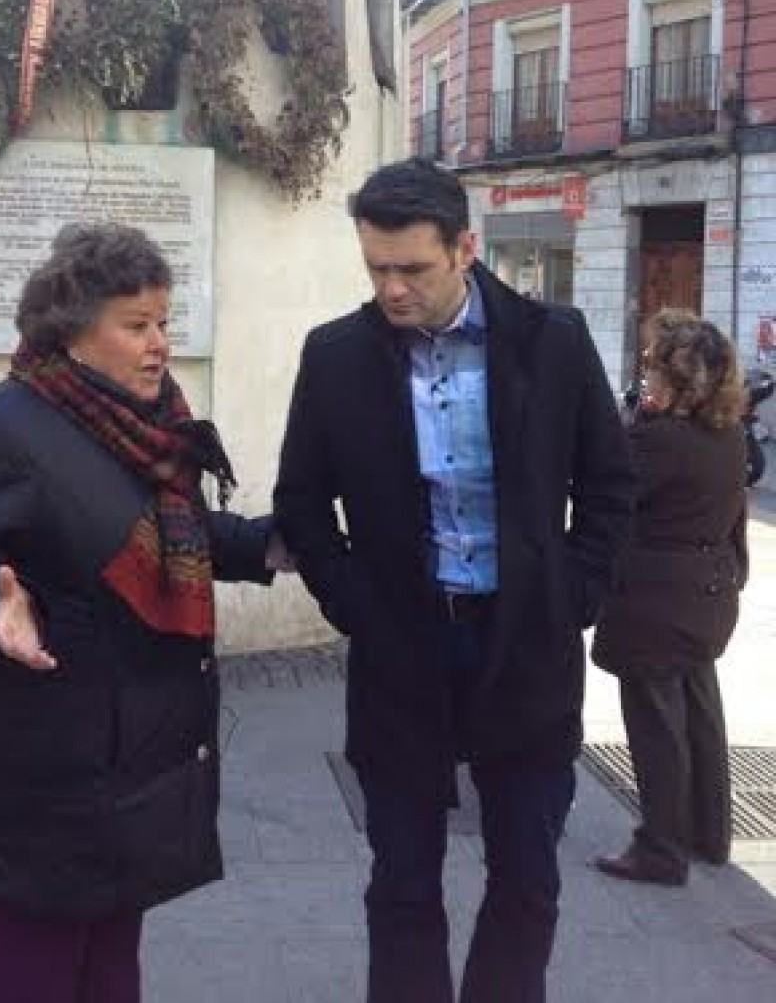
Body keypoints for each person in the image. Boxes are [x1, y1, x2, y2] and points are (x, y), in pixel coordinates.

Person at [273, 157, 634, 1003]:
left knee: (527, 880)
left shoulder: (554, 342)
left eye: (412, 269)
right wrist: (354, 602)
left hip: (527, 648)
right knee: (401, 885)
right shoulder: (338, 357)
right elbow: (300, 498)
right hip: (403, 649)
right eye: (375, 268)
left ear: (465, 248)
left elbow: (611, 485)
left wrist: (572, 594)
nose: (391, 289)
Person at [0, 222, 286, 1003]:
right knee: (32, 971)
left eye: (164, 323)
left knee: (111, 968)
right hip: (35, 775)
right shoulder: (1, 430)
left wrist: (276, 547)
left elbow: (176, 534)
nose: (159, 344)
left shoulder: (149, 427)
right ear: (74, 332)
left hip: (128, 767)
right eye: (135, 325)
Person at [593, 310, 748, 886]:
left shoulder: (659, 438)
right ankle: (710, 835)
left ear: (679, 380)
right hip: (708, 591)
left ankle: (661, 850)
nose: (647, 373)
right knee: (701, 713)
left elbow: (612, 485)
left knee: (657, 723)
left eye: (656, 366)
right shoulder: (728, 432)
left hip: (655, 599)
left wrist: (635, 420)